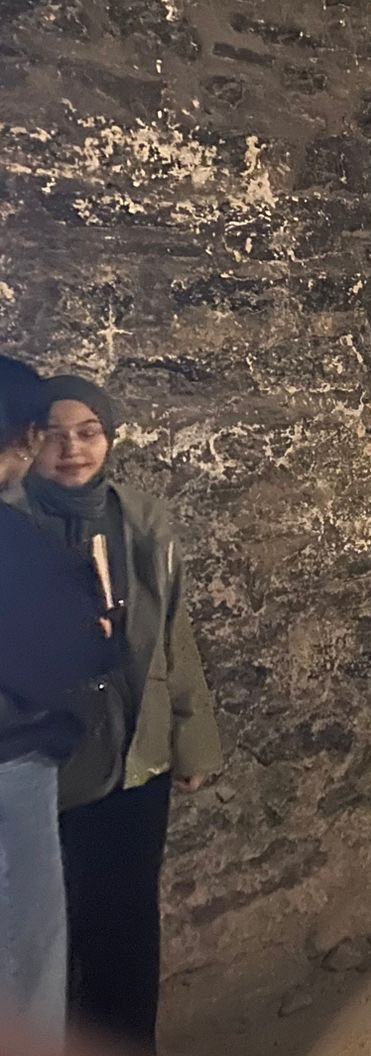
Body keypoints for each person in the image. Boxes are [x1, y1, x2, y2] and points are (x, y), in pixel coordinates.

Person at [13, 377, 222, 1054]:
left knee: (125, 924)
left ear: (109, 438)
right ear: (29, 440)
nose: (72, 449)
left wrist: (191, 739)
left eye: (88, 432)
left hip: (135, 753)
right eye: (54, 434)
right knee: (42, 936)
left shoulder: (139, 518)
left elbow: (172, 633)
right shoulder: (15, 522)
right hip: (49, 762)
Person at [0, 359, 117, 1044]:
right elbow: (59, 659)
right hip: (12, 762)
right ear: (26, 438)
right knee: (26, 950)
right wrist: (93, 633)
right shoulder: (17, 536)